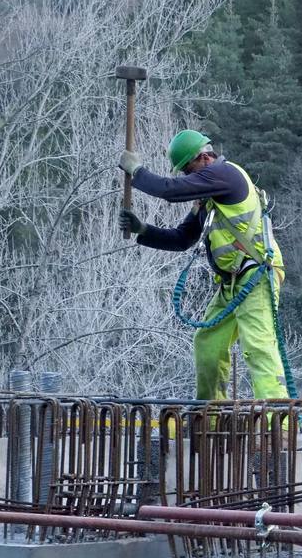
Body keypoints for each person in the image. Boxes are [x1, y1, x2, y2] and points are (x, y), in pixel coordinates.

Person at [118, 130, 288, 400]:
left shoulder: (226, 175)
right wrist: (143, 230)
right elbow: (182, 238)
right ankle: (211, 415)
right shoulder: (209, 199)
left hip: (256, 275)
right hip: (233, 283)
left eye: (188, 170)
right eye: (186, 173)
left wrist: (137, 171)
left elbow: (168, 190)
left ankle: (280, 421)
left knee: (258, 345)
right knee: (207, 343)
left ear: (205, 158)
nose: (189, 178)